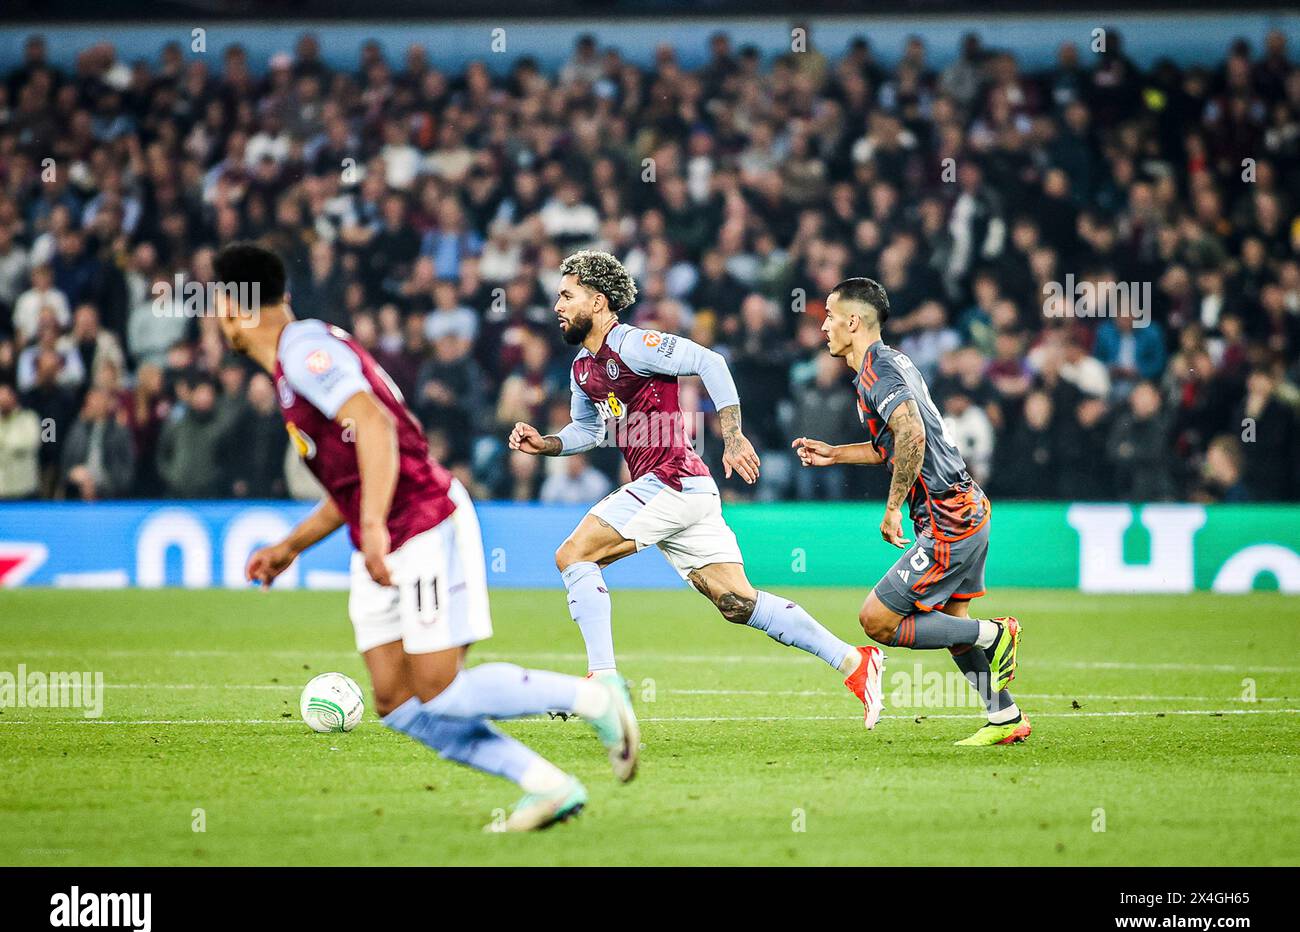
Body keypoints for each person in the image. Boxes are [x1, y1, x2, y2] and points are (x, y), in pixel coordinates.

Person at [210, 242, 639, 832]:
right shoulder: (294, 364)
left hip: (423, 519)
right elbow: (352, 476)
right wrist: (291, 547)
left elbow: (376, 426)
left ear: (235, 308)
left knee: (437, 688)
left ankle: (595, 698)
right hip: (384, 535)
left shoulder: (304, 348)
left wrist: (371, 528)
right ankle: (548, 785)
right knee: (397, 702)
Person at [509, 251, 885, 728]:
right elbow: (588, 430)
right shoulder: (583, 367)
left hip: (669, 481)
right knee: (737, 602)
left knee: (574, 555)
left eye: (567, 295)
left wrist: (732, 436)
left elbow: (710, 361)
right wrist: (546, 444)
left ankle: (602, 679)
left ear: (599, 302)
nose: (557, 305)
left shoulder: (635, 344)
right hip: (687, 491)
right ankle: (855, 664)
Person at [792, 277, 1028, 746]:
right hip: (966, 506)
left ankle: (996, 633)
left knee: (877, 619)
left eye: (830, 317)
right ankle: (1005, 717)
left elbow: (913, 434)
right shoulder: (888, 364)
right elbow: (892, 445)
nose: (823, 327)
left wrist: (893, 508)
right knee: (952, 630)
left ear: (853, 322)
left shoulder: (879, 371)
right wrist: (834, 454)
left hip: (947, 517)